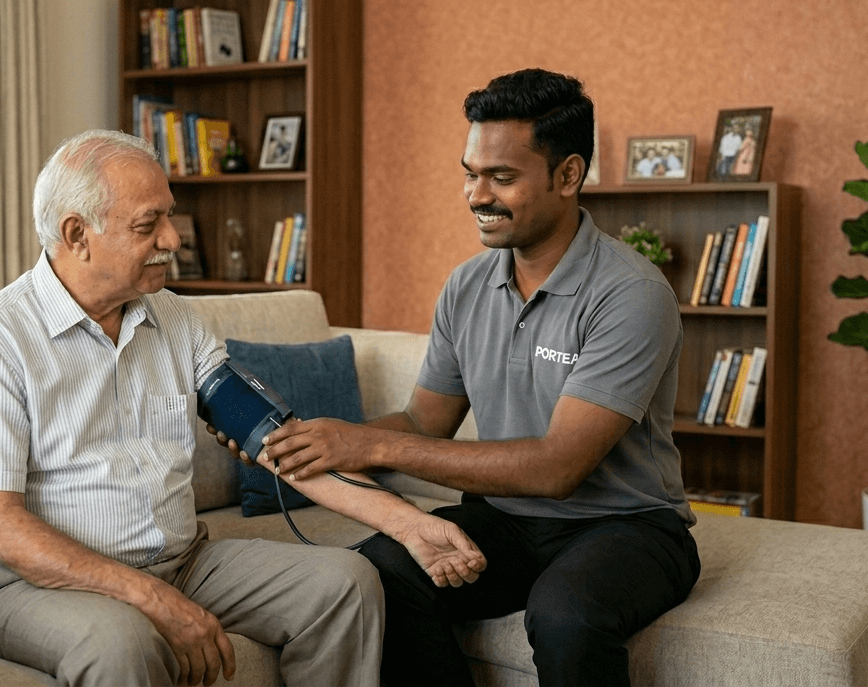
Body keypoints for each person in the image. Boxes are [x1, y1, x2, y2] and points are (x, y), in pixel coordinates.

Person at [0, 129, 485, 687]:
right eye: (148, 225)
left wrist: (411, 525)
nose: (173, 239)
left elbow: (280, 440)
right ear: (77, 234)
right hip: (31, 584)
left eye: (169, 217)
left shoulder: (173, 319)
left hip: (183, 563)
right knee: (122, 641)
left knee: (346, 582)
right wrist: (149, 598)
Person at [255, 69, 702, 687]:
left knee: (565, 614)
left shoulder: (630, 293)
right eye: (470, 172)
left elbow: (557, 468)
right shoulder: (467, 286)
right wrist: (316, 439)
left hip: (628, 527)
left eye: (502, 177)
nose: (476, 194)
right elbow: (422, 422)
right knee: (381, 571)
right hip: (506, 521)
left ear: (568, 175)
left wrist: (373, 444)